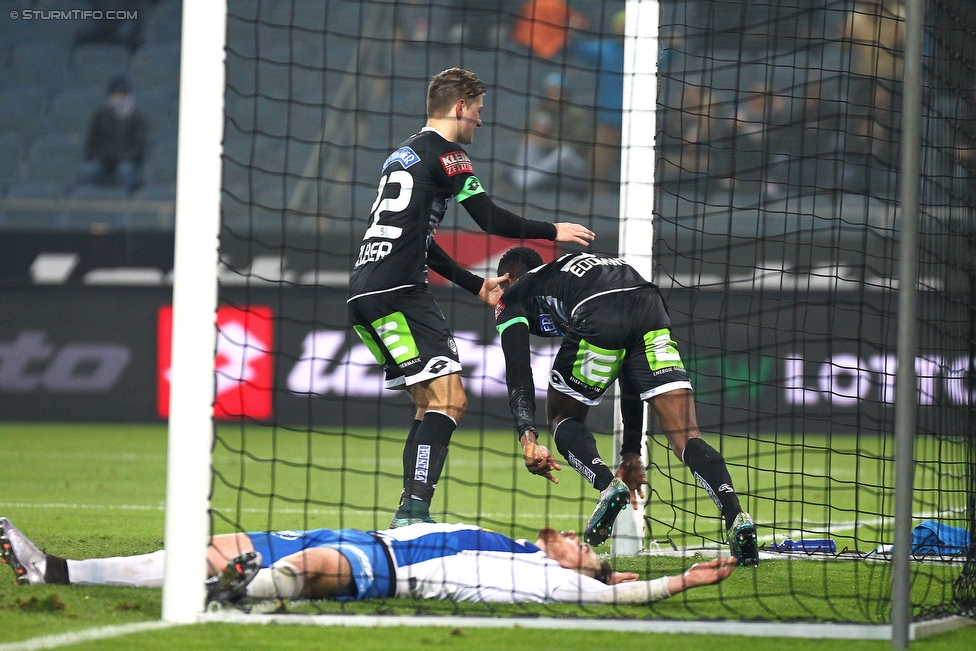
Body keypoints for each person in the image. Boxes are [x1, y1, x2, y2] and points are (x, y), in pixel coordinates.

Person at [347, 68, 595, 529]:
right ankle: (413, 514)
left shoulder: (400, 155)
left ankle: (410, 510)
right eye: (478, 112)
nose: (481, 122)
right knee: (451, 400)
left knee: (429, 404)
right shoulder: (449, 156)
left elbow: (420, 240)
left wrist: (474, 284)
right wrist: (551, 231)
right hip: (401, 291)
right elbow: (488, 218)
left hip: (366, 289)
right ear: (460, 107)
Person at [492, 247, 758, 565]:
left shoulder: (514, 295)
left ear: (506, 280)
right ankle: (735, 516)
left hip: (597, 311)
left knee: (561, 416)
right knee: (686, 435)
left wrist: (528, 437)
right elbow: (628, 370)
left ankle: (607, 486)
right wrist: (631, 452)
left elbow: (518, 371)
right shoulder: (572, 269)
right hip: (650, 304)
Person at [0, 516, 736, 605]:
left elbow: (614, 598)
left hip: (387, 570)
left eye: (590, 551)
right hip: (363, 534)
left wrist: (678, 579)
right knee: (207, 547)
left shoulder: (548, 580)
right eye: (585, 541)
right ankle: (54, 571)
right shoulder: (510, 536)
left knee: (317, 565)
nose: (582, 541)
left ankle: (242, 593)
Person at [510, 72, 591, 195]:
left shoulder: (577, 115)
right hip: (550, 167)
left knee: (564, 153)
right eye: (550, 93)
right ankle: (521, 180)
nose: (552, 97)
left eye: (557, 93)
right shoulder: (540, 114)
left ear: (565, 94)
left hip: (576, 167)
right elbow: (527, 137)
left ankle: (525, 181)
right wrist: (534, 133)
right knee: (528, 144)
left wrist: (545, 142)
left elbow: (577, 146)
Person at [77, 76, 147, 192]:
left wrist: (121, 157)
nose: (119, 98)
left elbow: (138, 147)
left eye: (122, 94)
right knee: (87, 170)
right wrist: (104, 157)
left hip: (126, 161)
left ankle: (123, 203)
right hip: (103, 160)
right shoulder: (100, 117)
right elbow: (91, 144)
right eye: (115, 94)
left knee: (125, 171)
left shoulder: (137, 119)